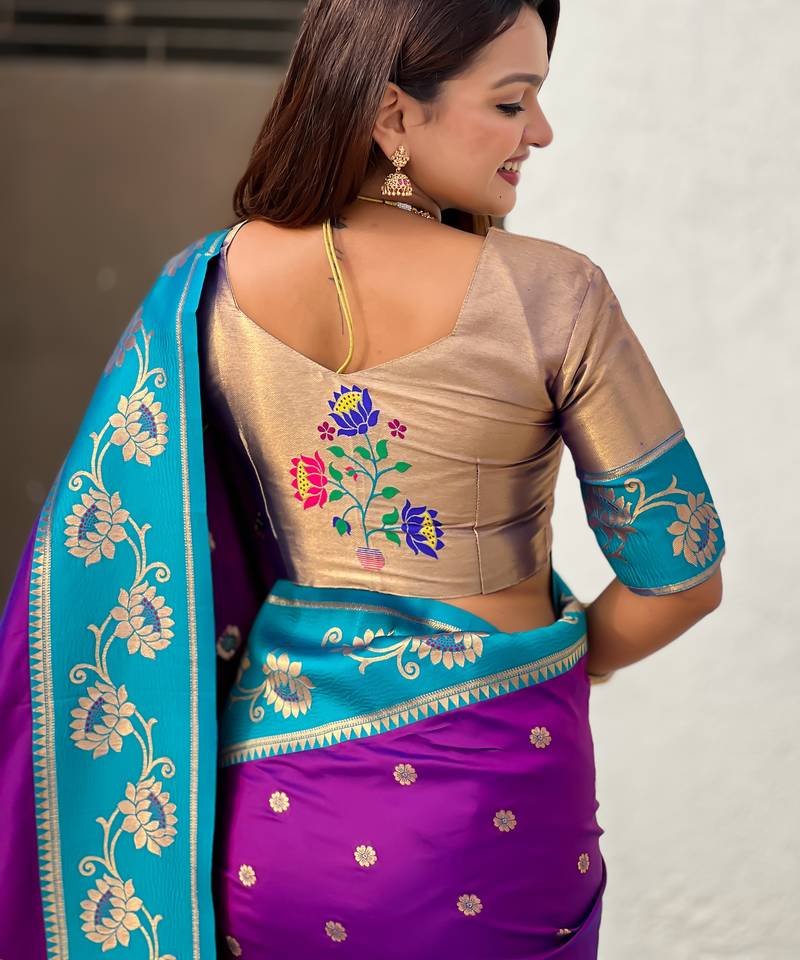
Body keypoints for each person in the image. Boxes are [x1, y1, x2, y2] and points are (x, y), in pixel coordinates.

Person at [0, 1, 726, 957]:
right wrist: (544, 670)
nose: (541, 132)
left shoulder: (209, 285)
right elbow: (682, 577)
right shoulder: (553, 294)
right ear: (392, 115)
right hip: (492, 804)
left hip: (274, 804)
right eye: (513, 104)